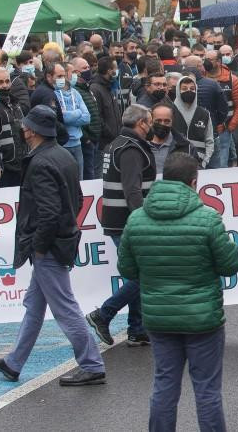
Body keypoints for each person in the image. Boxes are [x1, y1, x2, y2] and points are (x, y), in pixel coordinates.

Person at [117, 152, 238, 431]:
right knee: (207, 391)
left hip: (159, 317)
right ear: (194, 182)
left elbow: (127, 269)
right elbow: (230, 265)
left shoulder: (137, 219)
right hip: (202, 317)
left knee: (164, 385)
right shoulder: (208, 219)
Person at [0, 106, 105, 385]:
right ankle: (14, 362)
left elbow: (49, 212)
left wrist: (38, 246)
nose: (23, 129)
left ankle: (92, 364)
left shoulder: (40, 163)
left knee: (65, 308)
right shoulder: (63, 155)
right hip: (59, 241)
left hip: (49, 246)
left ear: (32, 130)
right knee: (34, 305)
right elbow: (76, 199)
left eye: (26, 125)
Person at [86, 104, 155, 347]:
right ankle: (103, 315)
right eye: (149, 121)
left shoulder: (116, 143)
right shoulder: (131, 149)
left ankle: (137, 328)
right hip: (127, 221)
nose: (151, 125)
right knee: (145, 275)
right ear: (141, 123)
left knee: (138, 273)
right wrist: (142, 220)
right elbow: (132, 190)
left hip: (119, 220)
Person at [207, 53, 238, 168]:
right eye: (205, 59)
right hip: (204, 128)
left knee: (221, 163)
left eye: (209, 60)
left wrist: (231, 126)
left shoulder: (232, 80)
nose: (206, 62)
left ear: (218, 62)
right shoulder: (201, 77)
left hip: (223, 129)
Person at [0, 67, 27, 187]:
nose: (5, 85)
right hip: (4, 166)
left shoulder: (15, 103)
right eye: (0, 82)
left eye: (7, 81)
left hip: (20, 161)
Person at [56, 64, 91, 177]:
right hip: (62, 145)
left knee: (79, 180)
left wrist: (68, 117)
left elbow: (86, 118)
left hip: (77, 144)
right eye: (74, 72)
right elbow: (62, 118)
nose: (77, 75)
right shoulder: (55, 93)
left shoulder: (76, 93)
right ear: (65, 75)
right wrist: (77, 113)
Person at [172, 75, 214, 168]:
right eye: (184, 88)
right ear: (178, 91)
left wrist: (204, 162)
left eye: (192, 88)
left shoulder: (204, 114)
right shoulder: (170, 112)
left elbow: (209, 140)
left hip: (198, 164)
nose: (188, 91)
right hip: (174, 163)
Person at [89, 58, 121, 179]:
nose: (117, 71)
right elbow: (97, 116)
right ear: (109, 70)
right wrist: (110, 132)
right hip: (103, 143)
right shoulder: (96, 89)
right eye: (115, 68)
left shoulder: (109, 86)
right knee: (100, 175)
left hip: (113, 141)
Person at [72, 57, 102, 181]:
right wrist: (86, 138)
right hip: (87, 141)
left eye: (88, 67)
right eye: (84, 68)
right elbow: (77, 118)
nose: (88, 70)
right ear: (75, 72)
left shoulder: (88, 89)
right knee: (89, 175)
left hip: (96, 139)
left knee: (95, 173)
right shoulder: (75, 91)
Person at [147, 104, 192, 174]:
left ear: (172, 122)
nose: (162, 124)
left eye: (167, 121)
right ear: (151, 121)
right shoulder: (140, 145)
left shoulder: (186, 147)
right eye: (158, 121)